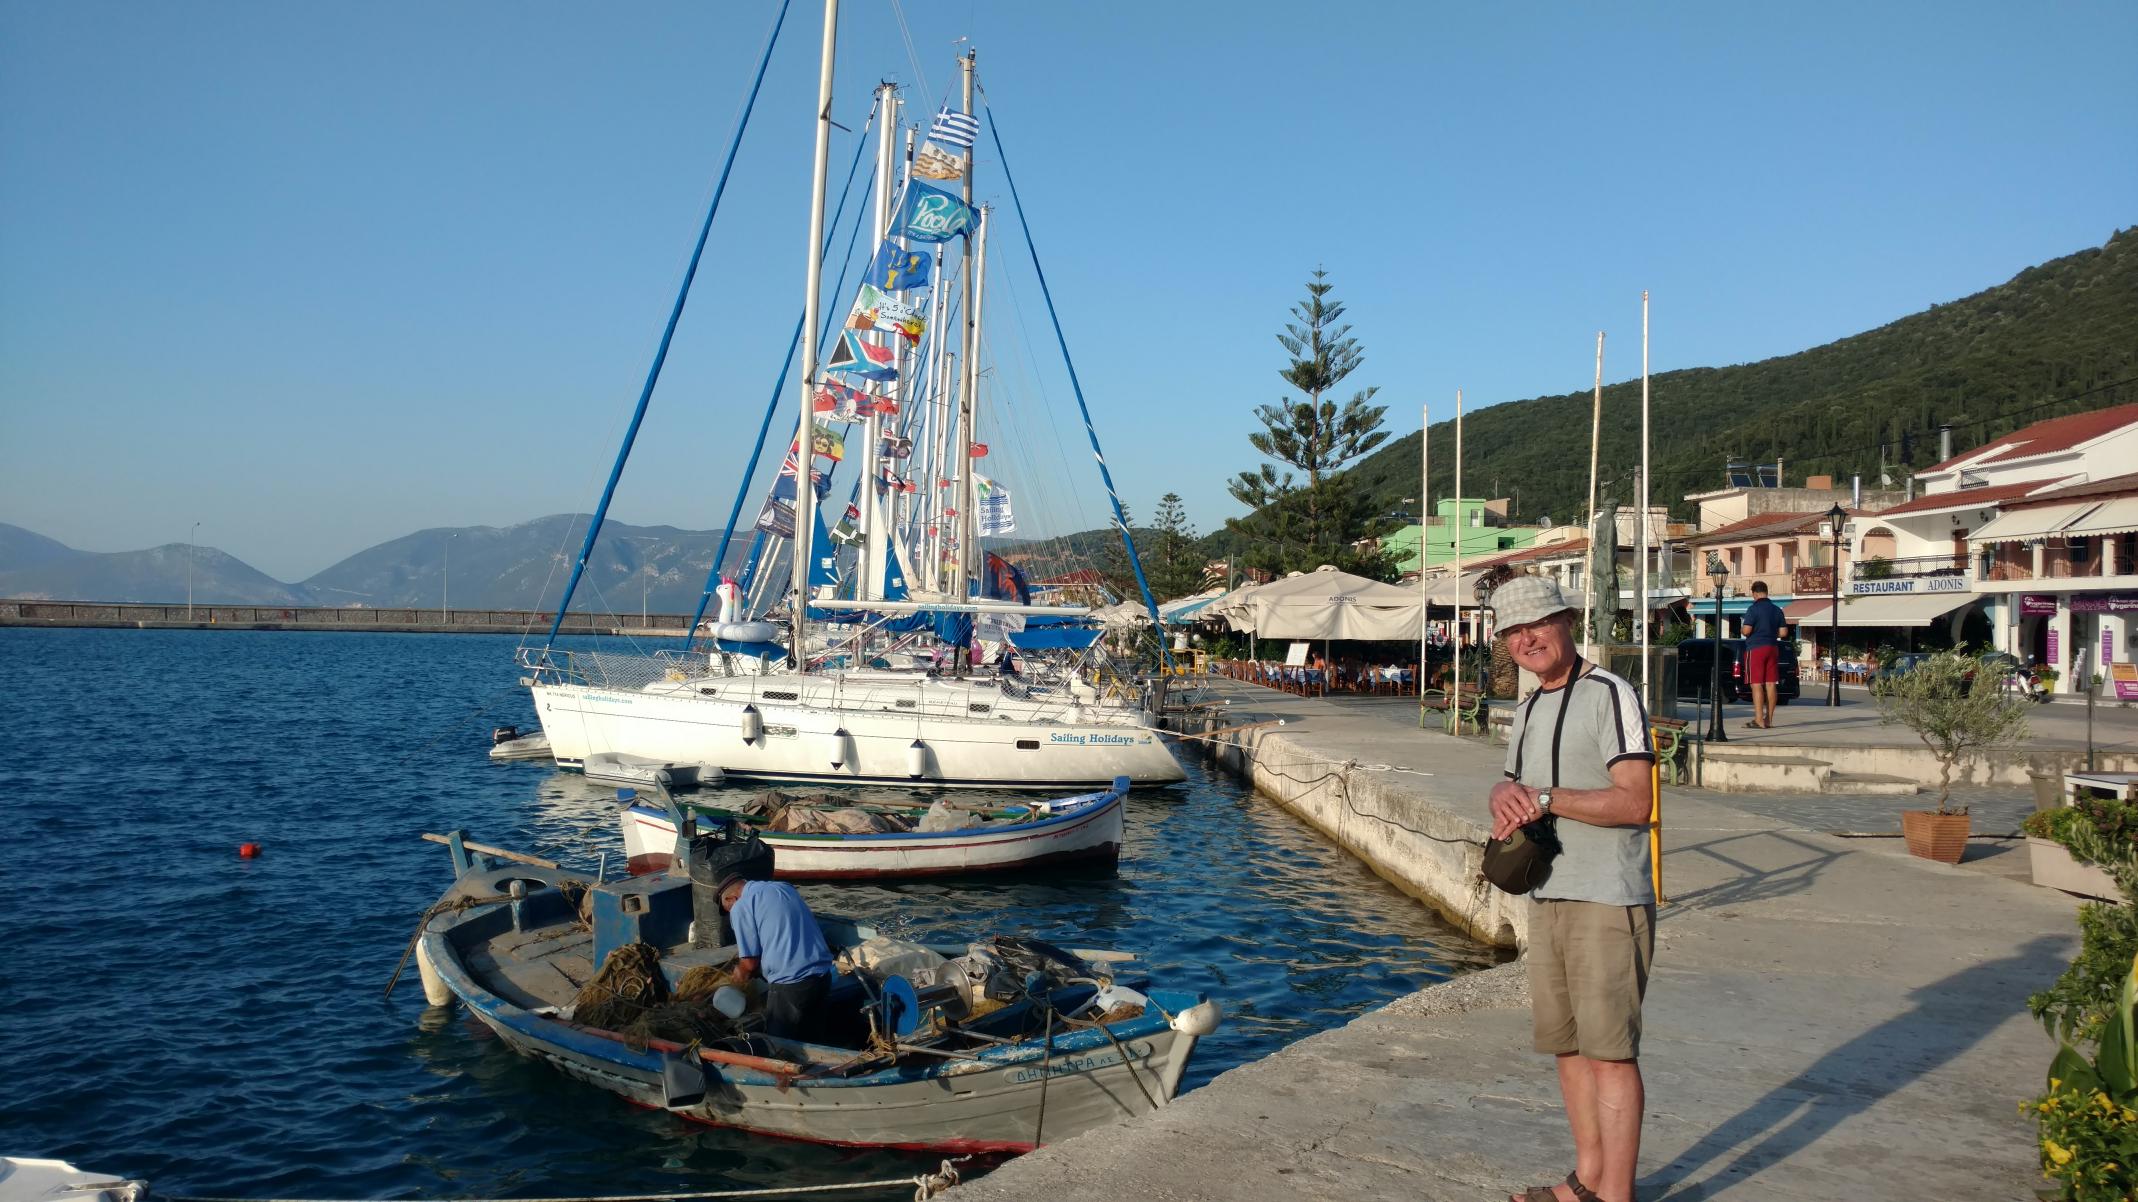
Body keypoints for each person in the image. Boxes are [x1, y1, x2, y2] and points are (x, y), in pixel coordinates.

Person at [1485, 576, 1657, 1202]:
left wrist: (1548, 799)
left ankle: (1618, 1196)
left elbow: (1635, 801)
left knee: (1610, 1052)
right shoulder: (1528, 708)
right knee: (1568, 1047)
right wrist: (1502, 795)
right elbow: (1513, 786)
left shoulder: (1610, 694)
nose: (1526, 638)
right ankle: (1587, 1179)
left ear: (1567, 621)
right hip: (1547, 893)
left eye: (1538, 623)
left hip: (1607, 897)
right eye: (1513, 630)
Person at [717, 870, 836, 1044]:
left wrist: (737, 977)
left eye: (729, 910)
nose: (731, 914)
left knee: (778, 1046)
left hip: (791, 985)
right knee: (814, 1043)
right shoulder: (783, 887)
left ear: (731, 899)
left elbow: (749, 964)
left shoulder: (740, 906)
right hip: (822, 976)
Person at [1740, 581, 1789, 729]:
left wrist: (1743, 630)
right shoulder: (1777, 610)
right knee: (1771, 683)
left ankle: (1759, 719)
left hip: (1756, 648)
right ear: (1766, 592)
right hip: (1773, 647)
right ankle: (1769, 720)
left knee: (1756, 684)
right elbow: (1783, 633)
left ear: (1754, 593)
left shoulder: (1753, 609)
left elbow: (1747, 631)